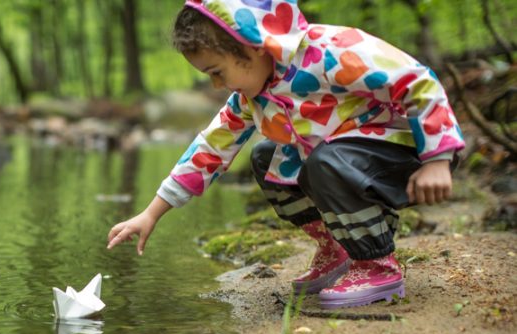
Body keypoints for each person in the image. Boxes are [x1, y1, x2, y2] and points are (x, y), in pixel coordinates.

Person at [106, 0, 463, 309]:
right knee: (265, 158)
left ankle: (377, 265)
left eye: (217, 72)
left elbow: (418, 81)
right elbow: (209, 148)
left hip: (405, 155)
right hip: (343, 161)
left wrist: (437, 160)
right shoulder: (252, 97)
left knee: (324, 162)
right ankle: (337, 247)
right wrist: (151, 213)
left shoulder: (331, 51)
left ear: (255, 46)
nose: (217, 85)